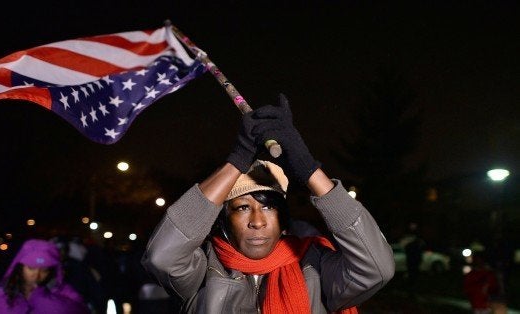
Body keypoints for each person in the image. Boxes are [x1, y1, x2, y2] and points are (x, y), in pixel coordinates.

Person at [141, 94, 395, 313]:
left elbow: (376, 268)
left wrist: (308, 169)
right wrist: (237, 160)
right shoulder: (202, 271)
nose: (257, 221)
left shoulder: (314, 265)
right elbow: (162, 256)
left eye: (268, 207)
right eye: (242, 207)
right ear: (224, 220)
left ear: (284, 220)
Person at [0, 238, 89, 314]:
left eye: (44, 270)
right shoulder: (1, 293)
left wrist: (45, 301)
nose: (37, 275)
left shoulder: (64, 292)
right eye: (31, 268)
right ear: (20, 267)